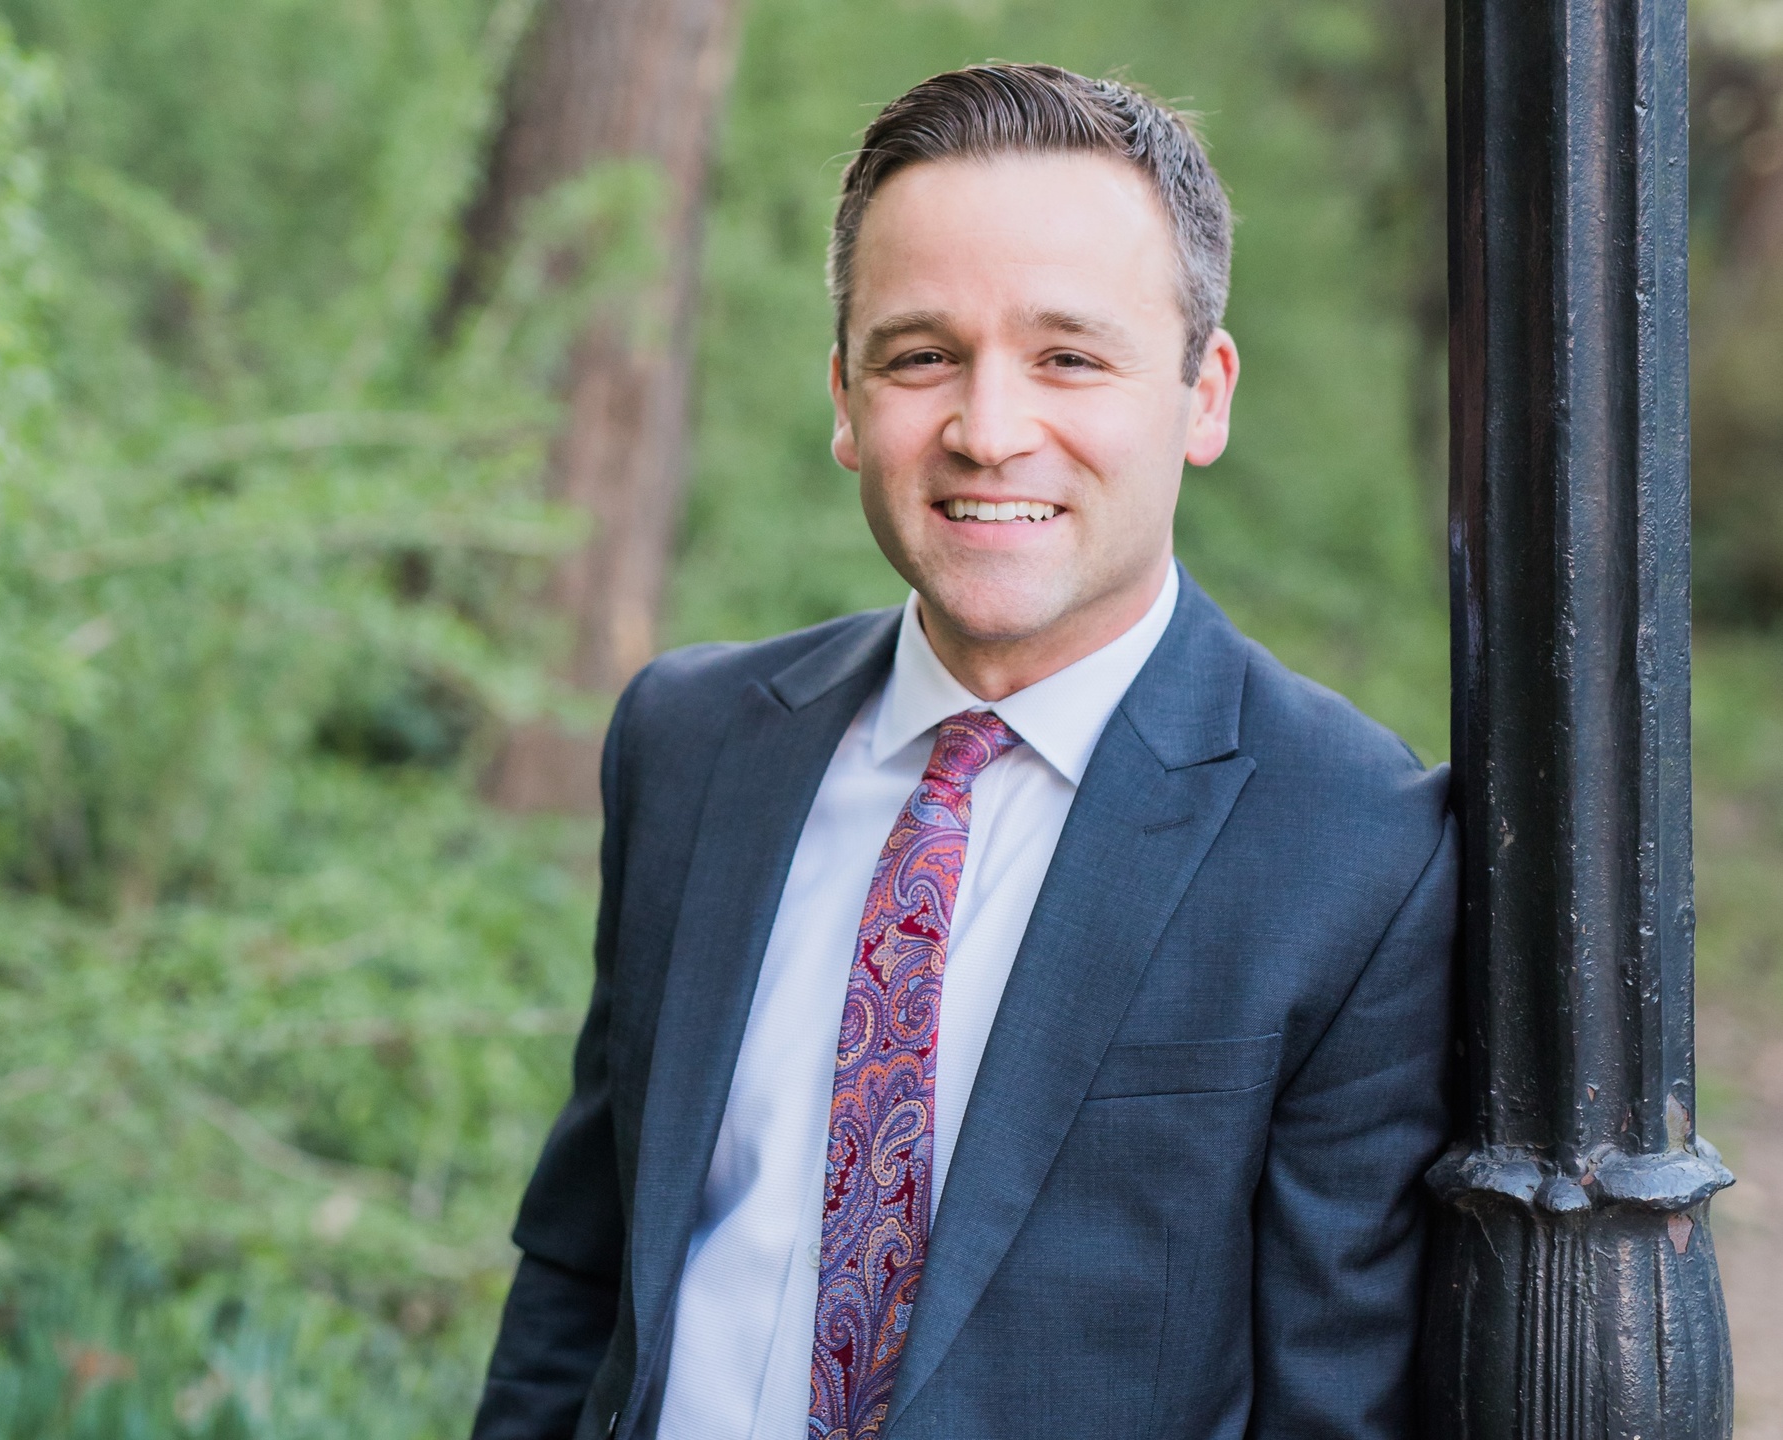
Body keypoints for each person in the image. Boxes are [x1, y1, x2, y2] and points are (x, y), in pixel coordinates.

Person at [471, 63, 1456, 1440]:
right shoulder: (691, 747)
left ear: (1203, 395)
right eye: (920, 355)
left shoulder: (1356, 845)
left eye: (1069, 357)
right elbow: (582, 1269)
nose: (988, 432)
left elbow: (1329, 1407)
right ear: (844, 397)